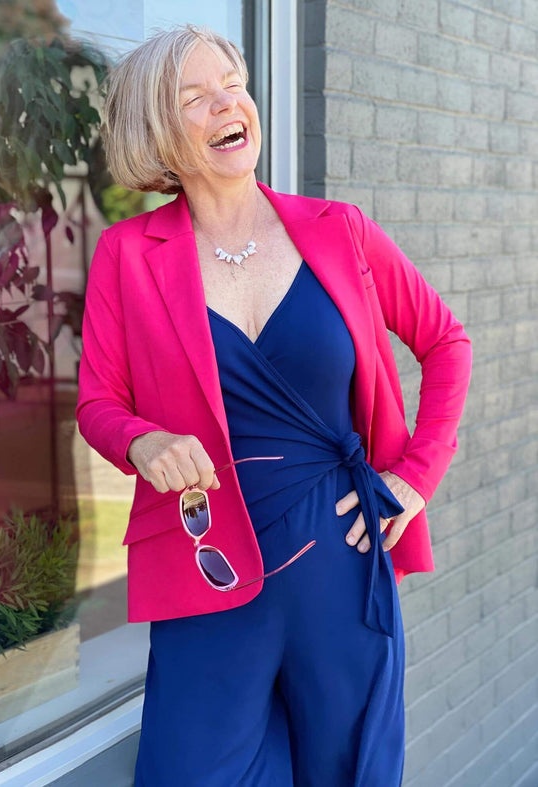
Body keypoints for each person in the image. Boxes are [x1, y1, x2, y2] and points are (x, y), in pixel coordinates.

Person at [76, 24, 472, 787]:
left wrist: (417, 476)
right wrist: (140, 442)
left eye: (234, 84)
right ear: (161, 129)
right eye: (197, 96)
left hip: (342, 563)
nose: (229, 103)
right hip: (207, 572)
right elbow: (98, 399)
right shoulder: (129, 253)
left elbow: (447, 343)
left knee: (348, 771)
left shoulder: (340, 231)